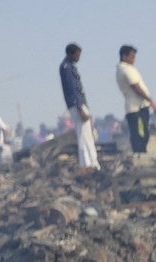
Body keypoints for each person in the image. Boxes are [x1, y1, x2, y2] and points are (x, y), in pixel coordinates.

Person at [59, 43, 99, 171]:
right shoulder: (66, 67)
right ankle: (86, 163)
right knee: (83, 134)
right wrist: (80, 108)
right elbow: (72, 90)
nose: (79, 57)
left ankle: (92, 163)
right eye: (77, 54)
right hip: (77, 105)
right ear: (71, 54)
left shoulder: (70, 67)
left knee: (87, 134)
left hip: (79, 104)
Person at [116, 45, 156, 153]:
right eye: (131, 56)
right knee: (140, 134)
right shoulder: (125, 70)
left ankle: (140, 153)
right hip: (136, 108)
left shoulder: (127, 69)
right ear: (124, 56)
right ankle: (139, 154)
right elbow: (136, 87)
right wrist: (151, 101)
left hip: (139, 106)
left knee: (142, 133)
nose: (134, 59)